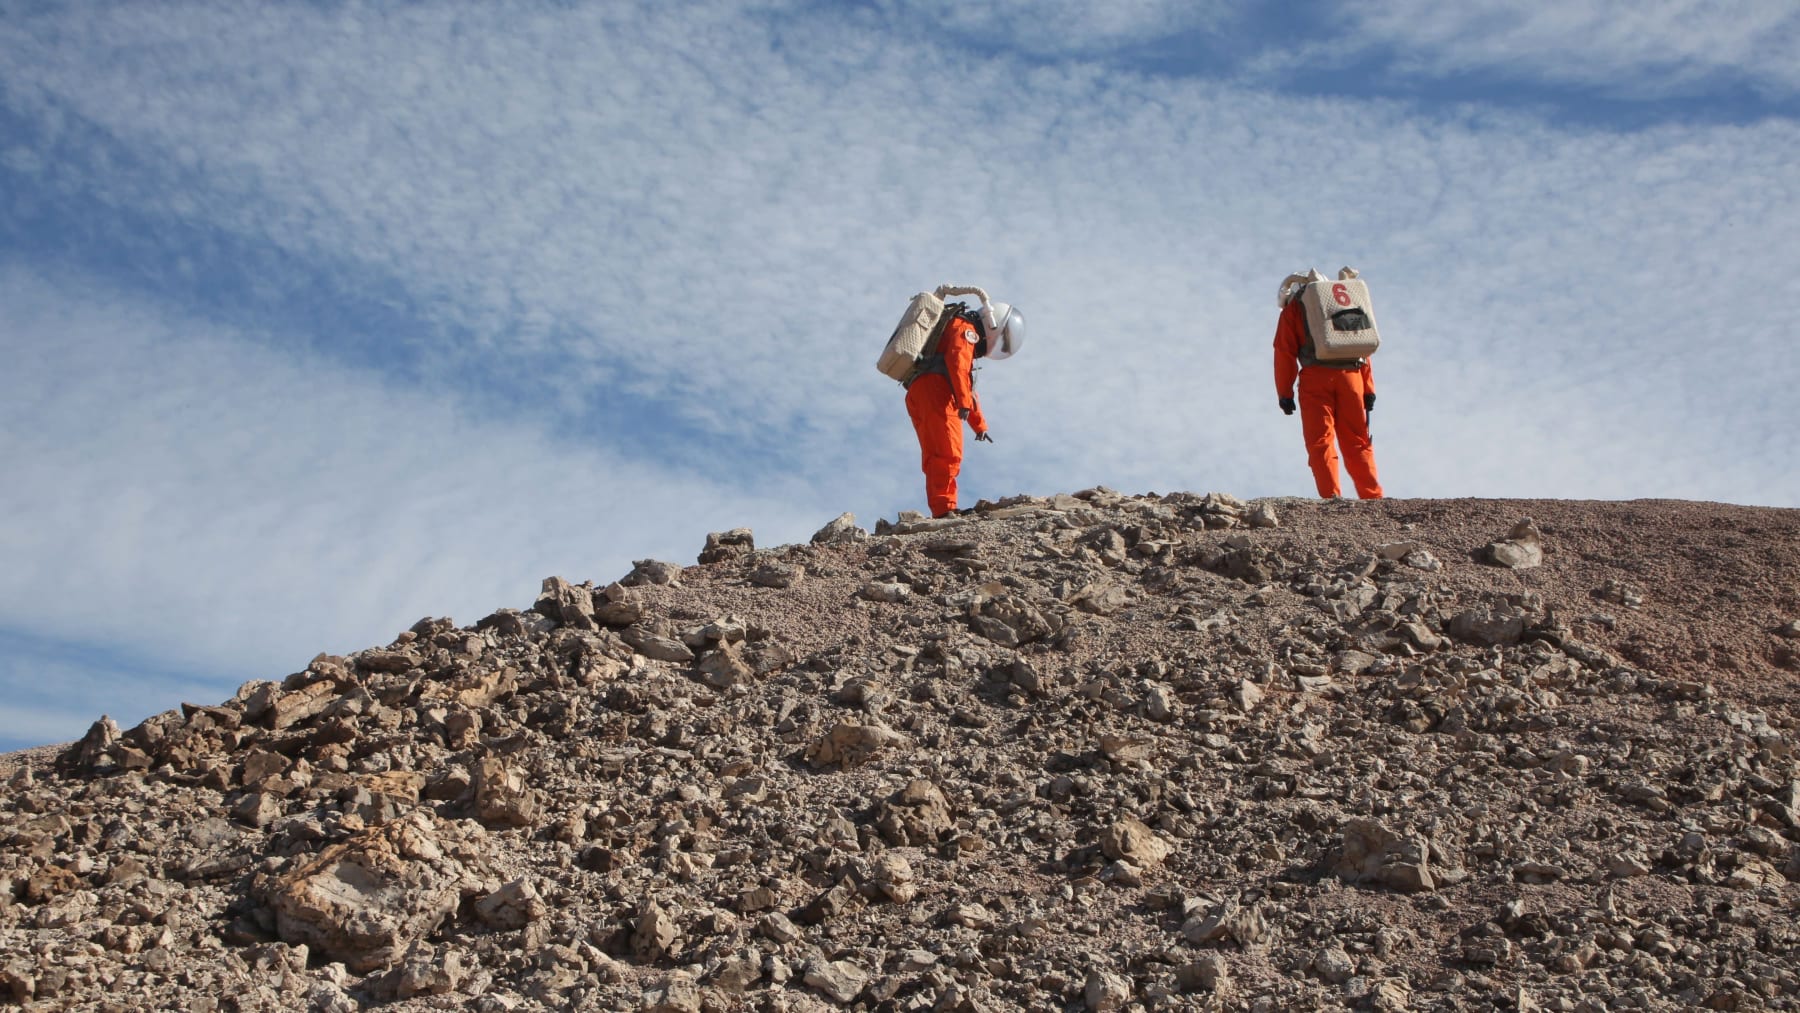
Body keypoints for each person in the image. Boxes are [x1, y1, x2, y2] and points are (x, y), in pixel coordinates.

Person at [905, 284, 1025, 518]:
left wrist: (979, 425)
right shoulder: (965, 329)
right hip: (936, 392)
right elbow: (958, 367)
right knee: (948, 453)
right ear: (994, 324)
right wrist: (963, 404)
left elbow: (966, 386)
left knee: (936, 454)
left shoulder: (957, 326)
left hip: (920, 391)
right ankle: (945, 509)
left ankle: (942, 507)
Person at [1273, 269, 1384, 499]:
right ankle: (1373, 496)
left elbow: (1284, 352)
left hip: (1316, 378)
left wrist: (1285, 394)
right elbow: (1358, 343)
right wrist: (1368, 389)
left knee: (1321, 441)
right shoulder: (1341, 303)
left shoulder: (1294, 308)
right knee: (1357, 440)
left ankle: (1331, 496)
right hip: (1352, 377)